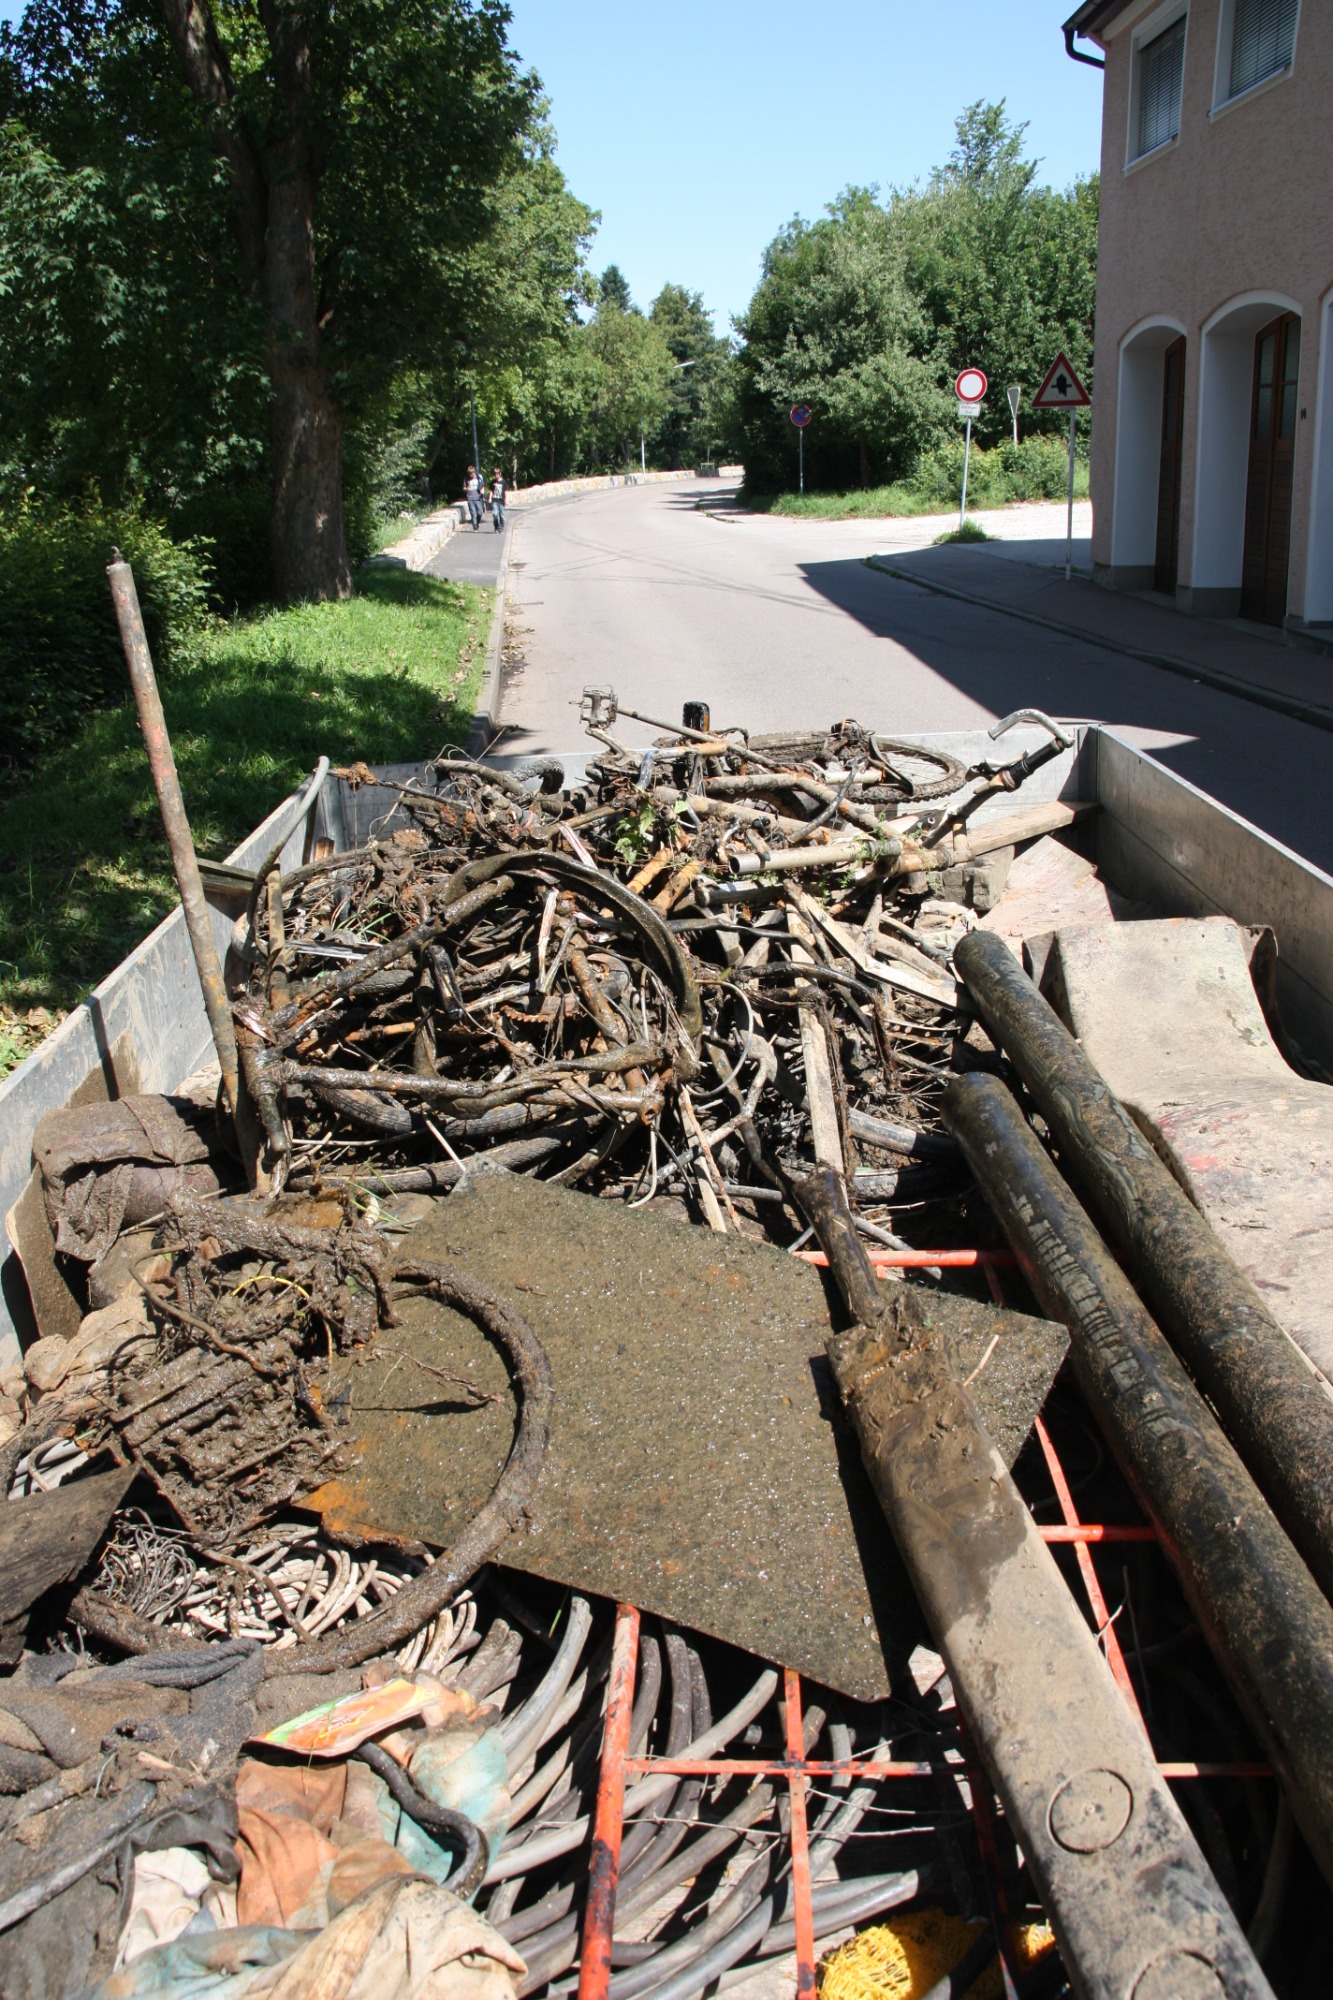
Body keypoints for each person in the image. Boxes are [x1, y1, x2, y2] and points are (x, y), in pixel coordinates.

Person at [463, 465, 483, 531]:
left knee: (480, 512)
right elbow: (464, 487)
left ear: (474, 472)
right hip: (470, 498)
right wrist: (467, 489)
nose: (470, 474)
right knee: (473, 513)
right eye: (469, 473)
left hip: (478, 498)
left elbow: (482, 485)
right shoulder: (466, 479)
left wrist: (482, 492)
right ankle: (475, 526)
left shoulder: (479, 477)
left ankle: (477, 522)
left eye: (472, 473)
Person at [490, 467, 507, 532]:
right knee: (495, 514)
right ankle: (496, 526)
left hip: (501, 500)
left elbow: (505, 491)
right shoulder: (493, 482)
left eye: (497, 474)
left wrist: (506, 499)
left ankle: (501, 527)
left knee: (501, 515)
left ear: (500, 474)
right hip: (494, 500)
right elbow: (491, 491)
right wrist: (489, 498)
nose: (496, 475)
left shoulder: (504, 482)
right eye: (495, 474)